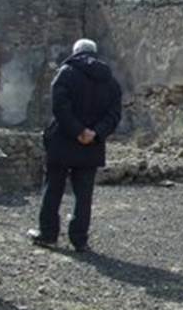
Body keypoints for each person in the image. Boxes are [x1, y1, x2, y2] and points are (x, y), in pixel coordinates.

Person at [28, 38, 122, 253]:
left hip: (63, 140)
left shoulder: (66, 72)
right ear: (95, 53)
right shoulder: (110, 80)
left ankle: (48, 235)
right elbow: (114, 114)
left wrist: (77, 130)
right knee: (84, 194)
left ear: (75, 52)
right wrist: (95, 133)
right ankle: (80, 240)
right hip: (91, 146)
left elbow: (59, 107)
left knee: (53, 188)